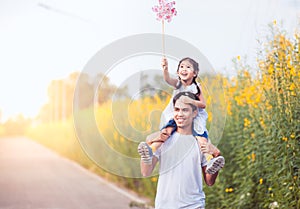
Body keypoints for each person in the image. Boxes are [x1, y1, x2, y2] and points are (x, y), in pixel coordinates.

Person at [138, 92, 221, 209]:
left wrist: (216, 156)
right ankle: (148, 153)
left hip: (194, 205)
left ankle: (214, 160)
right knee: (150, 150)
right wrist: (145, 158)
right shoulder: (163, 139)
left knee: (213, 158)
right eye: (177, 110)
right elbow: (146, 172)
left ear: (195, 112)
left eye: (185, 110)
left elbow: (210, 181)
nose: (180, 114)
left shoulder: (202, 142)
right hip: (165, 205)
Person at [147, 57, 224, 174]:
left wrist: (191, 101)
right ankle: (150, 151)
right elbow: (167, 79)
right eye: (181, 67)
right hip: (179, 114)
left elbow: (203, 104)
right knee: (166, 132)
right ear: (178, 72)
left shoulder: (196, 87)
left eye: (188, 67)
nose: (184, 69)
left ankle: (209, 163)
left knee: (201, 138)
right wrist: (165, 69)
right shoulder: (177, 84)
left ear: (195, 73)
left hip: (195, 116)